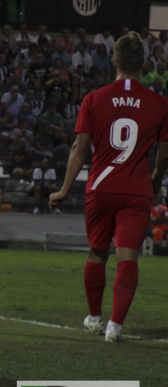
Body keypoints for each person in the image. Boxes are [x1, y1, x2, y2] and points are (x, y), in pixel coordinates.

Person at [50, 32, 168, 342]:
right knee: (128, 256)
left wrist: (63, 189)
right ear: (144, 63)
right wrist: (154, 182)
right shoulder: (159, 103)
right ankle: (115, 327)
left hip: (100, 189)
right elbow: (165, 153)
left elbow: (78, 147)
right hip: (136, 191)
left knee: (98, 253)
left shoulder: (94, 99)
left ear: (113, 62)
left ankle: (95, 318)